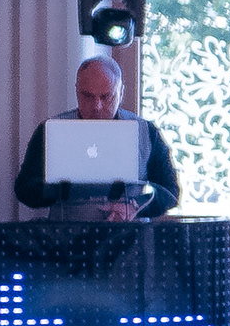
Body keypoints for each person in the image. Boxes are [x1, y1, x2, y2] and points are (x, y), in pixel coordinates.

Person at [14, 55, 178, 222]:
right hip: (67, 235)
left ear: (121, 93)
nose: (97, 106)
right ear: (77, 91)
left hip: (130, 235)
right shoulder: (50, 131)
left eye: (106, 97)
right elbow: (24, 190)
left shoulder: (146, 132)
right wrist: (60, 187)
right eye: (87, 96)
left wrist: (134, 206)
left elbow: (171, 192)